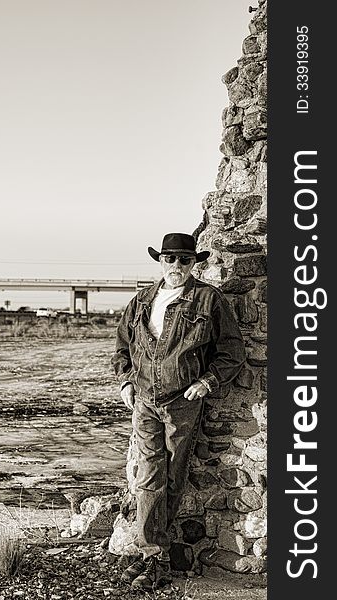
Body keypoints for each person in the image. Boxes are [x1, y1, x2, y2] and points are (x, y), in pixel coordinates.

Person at [111, 232, 246, 591]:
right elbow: (123, 346)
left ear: (194, 263)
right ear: (160, 261)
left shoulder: (208, 299)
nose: (176, 266)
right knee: (149, 478)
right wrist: (126, 383)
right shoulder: (141, 301)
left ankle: (148, 554)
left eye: (184, 260)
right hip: (144, 400)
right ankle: (153, 554)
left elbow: (232, 350)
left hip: (183, 403)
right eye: (169, 259)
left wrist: (207, 382)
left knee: (171, 479)